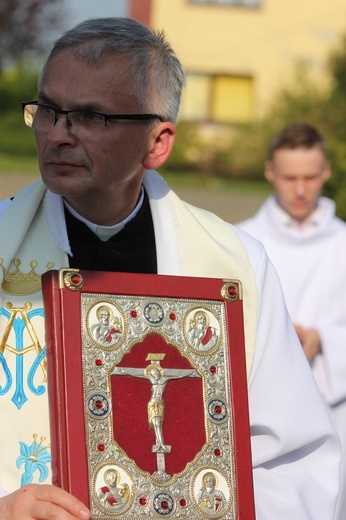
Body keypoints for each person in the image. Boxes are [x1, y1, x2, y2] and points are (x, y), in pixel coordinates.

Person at [0, 18, 340, 520]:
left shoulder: (234, 265)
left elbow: (295, 461)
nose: (57, 135)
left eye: (90, 117)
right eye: (48, 110)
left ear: (157, 143)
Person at [237, 122, 346, 520]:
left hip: (337, 406)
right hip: (262, 414)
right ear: (270, 172)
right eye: (289, 177)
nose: (300, 189)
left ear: (327, 172)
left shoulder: (343, 244)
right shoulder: (239, 242)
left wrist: (325, 339)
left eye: (311, 176)